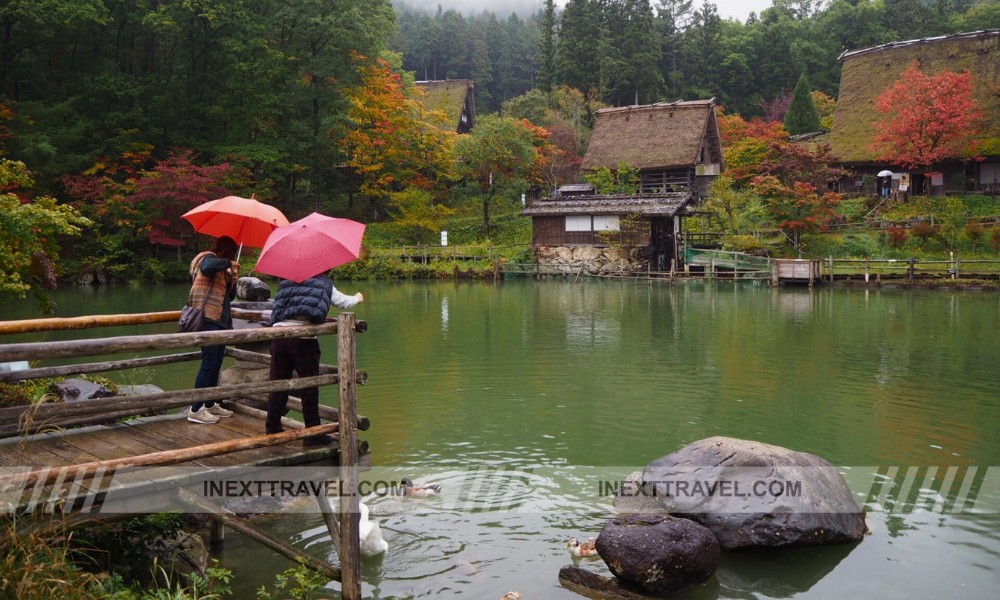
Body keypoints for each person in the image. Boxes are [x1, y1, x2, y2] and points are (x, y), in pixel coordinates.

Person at [265, 273, 364, 446]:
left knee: (277, 385)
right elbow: (343, 302)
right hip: (304, 340)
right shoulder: (323, 283)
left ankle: (272, 429)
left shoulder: (286, 281)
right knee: (309, 387)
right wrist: (357, 297)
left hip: (279, 337)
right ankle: (313, 433)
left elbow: (278, 309)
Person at [186, 235, 240, 424]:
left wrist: (233, 278)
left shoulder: (222, 270)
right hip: (208, 318)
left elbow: (230, 297)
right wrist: (227, 263)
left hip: (221, 321)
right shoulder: (207, 258)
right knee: (208, 363)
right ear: (226, 251)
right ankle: (195, 409)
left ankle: (209, 404)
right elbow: (206, 268)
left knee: (216, 363)